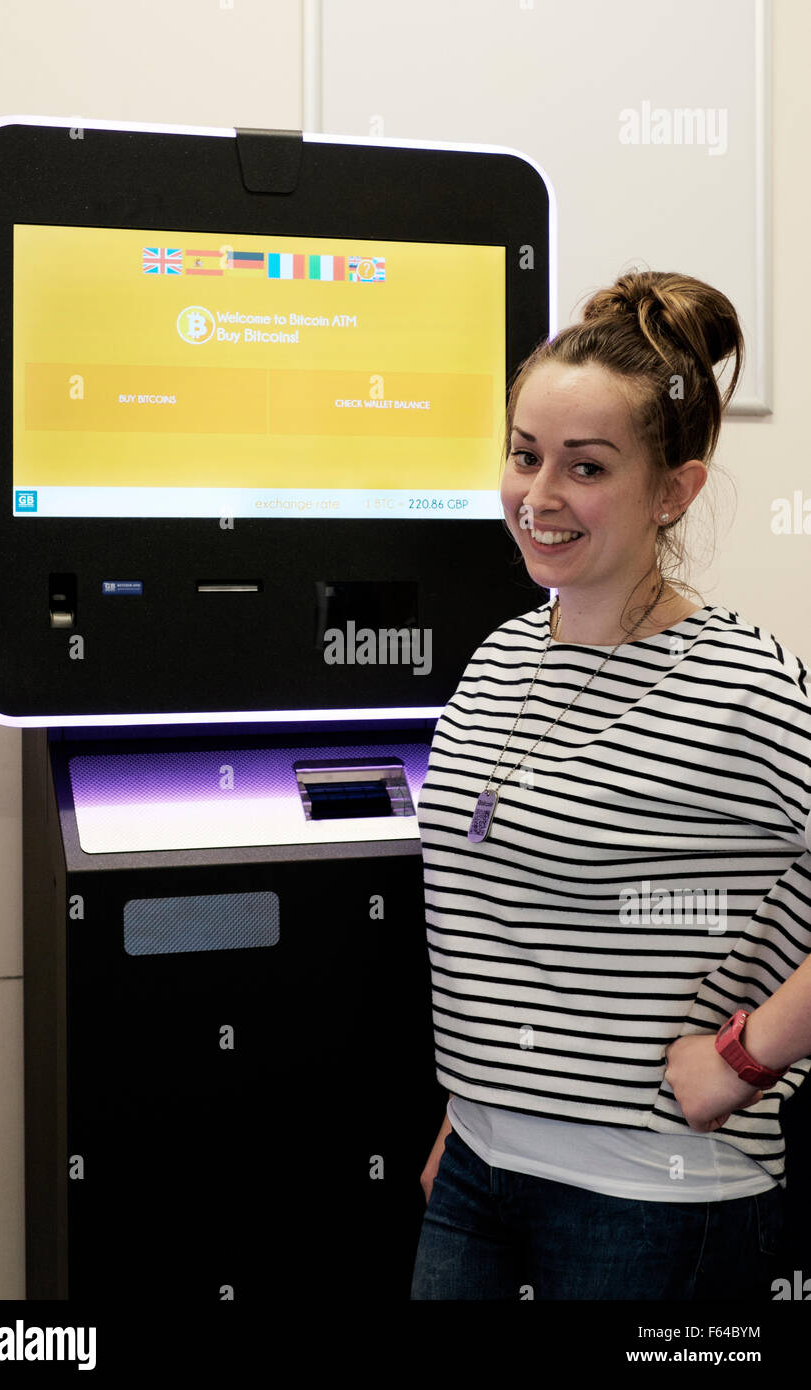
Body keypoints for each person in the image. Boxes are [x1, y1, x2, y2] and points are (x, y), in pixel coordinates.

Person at [410, 269, 811, 1301]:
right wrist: (478, 1106)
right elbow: (496, 913)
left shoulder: (739, 684)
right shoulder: (497, 659)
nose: (538, 498)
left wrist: (742, 1054)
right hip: (476, 1181)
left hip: (655, 1205)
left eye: (583, 467)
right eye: (522, 456)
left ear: (672, 488)